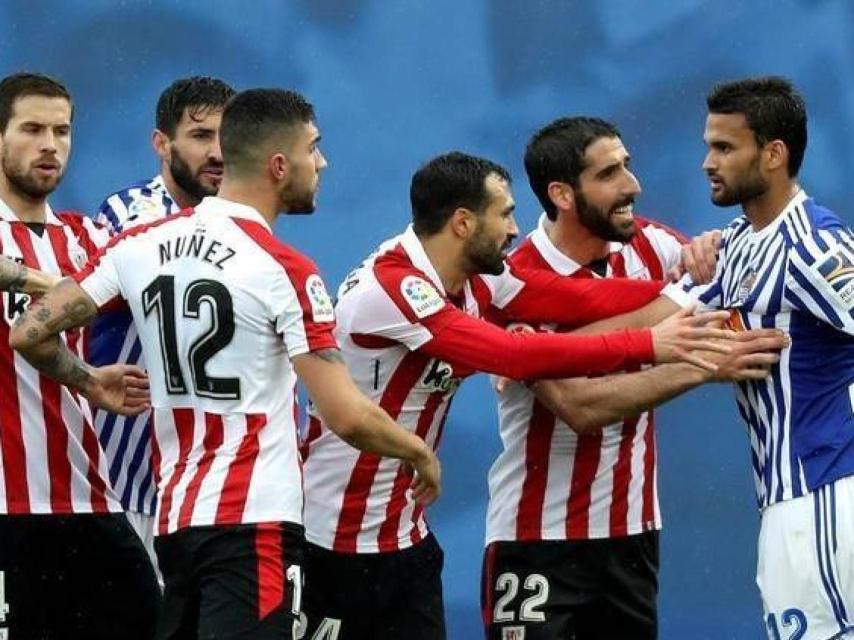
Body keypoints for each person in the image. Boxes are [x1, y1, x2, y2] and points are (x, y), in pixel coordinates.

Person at [9, 88, 442, 640]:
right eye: (314, 147)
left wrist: (90, 382)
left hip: (176, 521)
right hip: (254, 523)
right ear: (279, 166)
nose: (323, 163)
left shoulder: (139, 245)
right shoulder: (285, 269)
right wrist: (417, 451)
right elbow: (345, 414)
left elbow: (29, 332)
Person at [299, 150, 739, 639]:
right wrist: (651, 343)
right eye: (505, 215)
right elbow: (515, 356)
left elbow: (578, 298)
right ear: (463, 223)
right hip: (327, 537)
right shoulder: (394, 288)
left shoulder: (479, 278)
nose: (514, 230)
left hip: (406, 539)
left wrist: (687, 290)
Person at [481, 116, 786, 640]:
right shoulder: (512, 280)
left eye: (627, 165)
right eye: (609, 174)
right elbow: (579, 407)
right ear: (562, 195)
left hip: (632, 538)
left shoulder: (653, 248)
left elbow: (734, 284)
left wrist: (714, 245)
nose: (632, 185)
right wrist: (699, 364)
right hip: (537, 538)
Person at [668, 76, 854, 640]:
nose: (707, 162)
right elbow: (649, 322)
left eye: (724, 147)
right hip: (788, 500)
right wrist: (532, 342)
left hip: (823, 490)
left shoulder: (813, 246)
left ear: (774, 154)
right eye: (708, 146)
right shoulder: (735, 244)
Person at [0, 72, 159, 639]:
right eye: (32, 129)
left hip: (87, 499)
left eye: (62, 131)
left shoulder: (84, 238)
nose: (50, 145)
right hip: (5, 506)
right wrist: (51, 285)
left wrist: (90, 378)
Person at [91, 75, 235, 566]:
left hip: (203, 491)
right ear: (161, 144)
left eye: (226, 137)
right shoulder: (130, 212)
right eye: (200, 136)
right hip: (124, 484)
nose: (217, 153)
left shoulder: (237, 225)